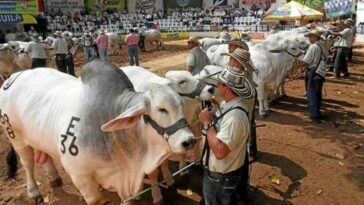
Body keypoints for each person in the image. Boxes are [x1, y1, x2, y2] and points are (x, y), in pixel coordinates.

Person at [199, 65, 253, 205]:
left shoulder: (234, 117)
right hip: (222, 175)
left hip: (220, 178)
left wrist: (207, 124)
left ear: (227, 88)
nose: (216, 85)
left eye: (219, 83)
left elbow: (220, 151)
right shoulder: (231, 105)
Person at [221, 48, 257, 203]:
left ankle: (235, 194)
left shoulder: (238, 82)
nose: (228, 62)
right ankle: (242, 193)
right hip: (243, 124)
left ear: (236, 63)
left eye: (230, 59)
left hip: (236, 124)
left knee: (234, 162)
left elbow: (234, 103)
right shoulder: (246, 79)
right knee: (241, 159)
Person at [300, 30, 328, 122]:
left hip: (313, 72)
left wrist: (298, 62)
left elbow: (306, 61)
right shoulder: (322, 46)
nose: (309, 38)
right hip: (320, 72)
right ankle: (317, 112)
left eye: (310, 36)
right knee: (317, 93)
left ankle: (314, 114)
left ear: (315, 37)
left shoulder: (313, 47)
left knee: (311, 93)